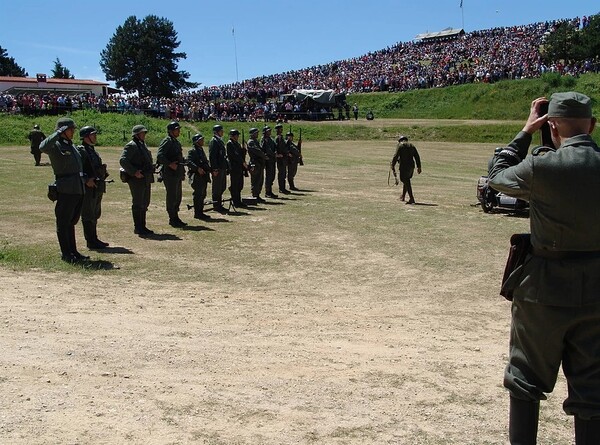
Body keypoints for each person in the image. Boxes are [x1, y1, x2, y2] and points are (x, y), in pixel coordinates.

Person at [488, 92, 600, 445]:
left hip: (543, 290)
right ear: (592, 125)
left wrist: (524, 132)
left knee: (525, 379)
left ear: (550, 125)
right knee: (593, 388)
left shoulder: (543, 165)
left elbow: (497, 178)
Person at [39, 117, 88, 263]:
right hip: (66, 188)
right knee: (63, 222)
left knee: (71, 222)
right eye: (70, 129)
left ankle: (73, 251)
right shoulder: (56, 145)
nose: (73, 132)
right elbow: (42, 147)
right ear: (63, 131)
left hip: (78, 187)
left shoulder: (70, 145)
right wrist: (57, 133)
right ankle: (66, 254)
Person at [77, 126, 109, 249]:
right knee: (88, 214)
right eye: (92, 134)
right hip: (89, 187)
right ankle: (90, 240)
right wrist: (85, 179)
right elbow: (78, 168)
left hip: (97, 185)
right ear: (86, 137)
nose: (95, 136)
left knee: (95, 213)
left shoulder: (91, 150)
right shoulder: (81, 150)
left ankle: (94, 238)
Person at [120, 125, 155, 236]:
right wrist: (134, 172)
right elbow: (123, 160)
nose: (144, 134)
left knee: (145, 203)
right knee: (138, 203)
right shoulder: (132, 146)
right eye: (142, 133)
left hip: (145, 178)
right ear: (136, 134)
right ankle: (138, 227)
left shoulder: (141, 145)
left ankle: (142, 226)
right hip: (137, 179)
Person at [157, 121, 187, 227]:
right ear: (170, 131)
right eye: (176, 129)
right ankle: (172, 218)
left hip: (177, 173)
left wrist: (182, 172)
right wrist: (169, 164)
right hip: (170, 174)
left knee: (178, 196)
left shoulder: (175, 142)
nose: (178, 131)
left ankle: (176, 216)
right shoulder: (167, 141)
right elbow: (160, 156)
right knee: (172, 196)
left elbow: (179, 158)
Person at [187, 133, 212, 220]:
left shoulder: (201, 150)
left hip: (203, 175)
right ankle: (197, 213)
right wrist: (197, 168)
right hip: (197, 176)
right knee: (198, 194)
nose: (203, 141)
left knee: (202, 194)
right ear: (196, 141)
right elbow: (189, 162)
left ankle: (200, 212)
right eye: (201, 140)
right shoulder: (192, 151)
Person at [390, 135, 422, 204]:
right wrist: (419, 166)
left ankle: (411, 198)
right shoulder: (411, 145)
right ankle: (403, 196)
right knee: (407, 180)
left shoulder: (400, 145)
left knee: (404, 180)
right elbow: (417, 156)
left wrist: (393, 164)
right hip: (411, 166)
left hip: (404, 166)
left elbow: (396, 156)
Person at [226, 129, 248, 208]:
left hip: (239, 167)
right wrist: (242, 162)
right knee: (235, 185)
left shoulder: (237, 144)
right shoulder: (230, 144)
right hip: (234, 167)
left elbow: (241, 154)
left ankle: (238, 200)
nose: (238, 136)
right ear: (232, 136)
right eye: (236, 135)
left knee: (239, 185)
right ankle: (236, 202)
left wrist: (244, 149)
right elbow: (235, 155)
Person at [208, 124, 228, 213]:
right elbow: (212, 156)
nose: (222, 132)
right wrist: (214, 168)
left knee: (222, 186)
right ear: (216, 132)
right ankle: (216, 205)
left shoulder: (219, 140)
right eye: (221, 131)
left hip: (222, 167)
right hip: (218, 168)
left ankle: (219, 204)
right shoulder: (214, 141)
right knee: (217, 188)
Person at [246, 127, 267, 202]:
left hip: (259, 162)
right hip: (255, 163)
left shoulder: (255, 141)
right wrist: (264, 156)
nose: (257, 134)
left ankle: (257, 194)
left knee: (260, 179)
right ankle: (255, 195)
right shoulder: (251, 142)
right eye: (256, 133)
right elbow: (257, 151)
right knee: (256, 180)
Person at [260, 126, 278, 198]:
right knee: (269, 176)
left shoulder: (271, 139)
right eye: (268, 131)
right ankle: (268, 192)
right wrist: (274, 154)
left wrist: (276, 152)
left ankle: (270, 190)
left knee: (272, 175)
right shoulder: (263, 139)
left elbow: (275, 146)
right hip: (268, 160)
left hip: (273, 159)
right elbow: (266, 149)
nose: (269, 132)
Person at [274, 123, 290, 194]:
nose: (281, 130)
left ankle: (283, 188)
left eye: (281, 129)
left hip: (283, 157)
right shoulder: (278, 138)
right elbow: (278, 147)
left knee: (283, 173)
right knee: (281, 173)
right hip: (280, 158)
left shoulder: (281, 137)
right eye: (279, 129)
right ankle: (281, 188)